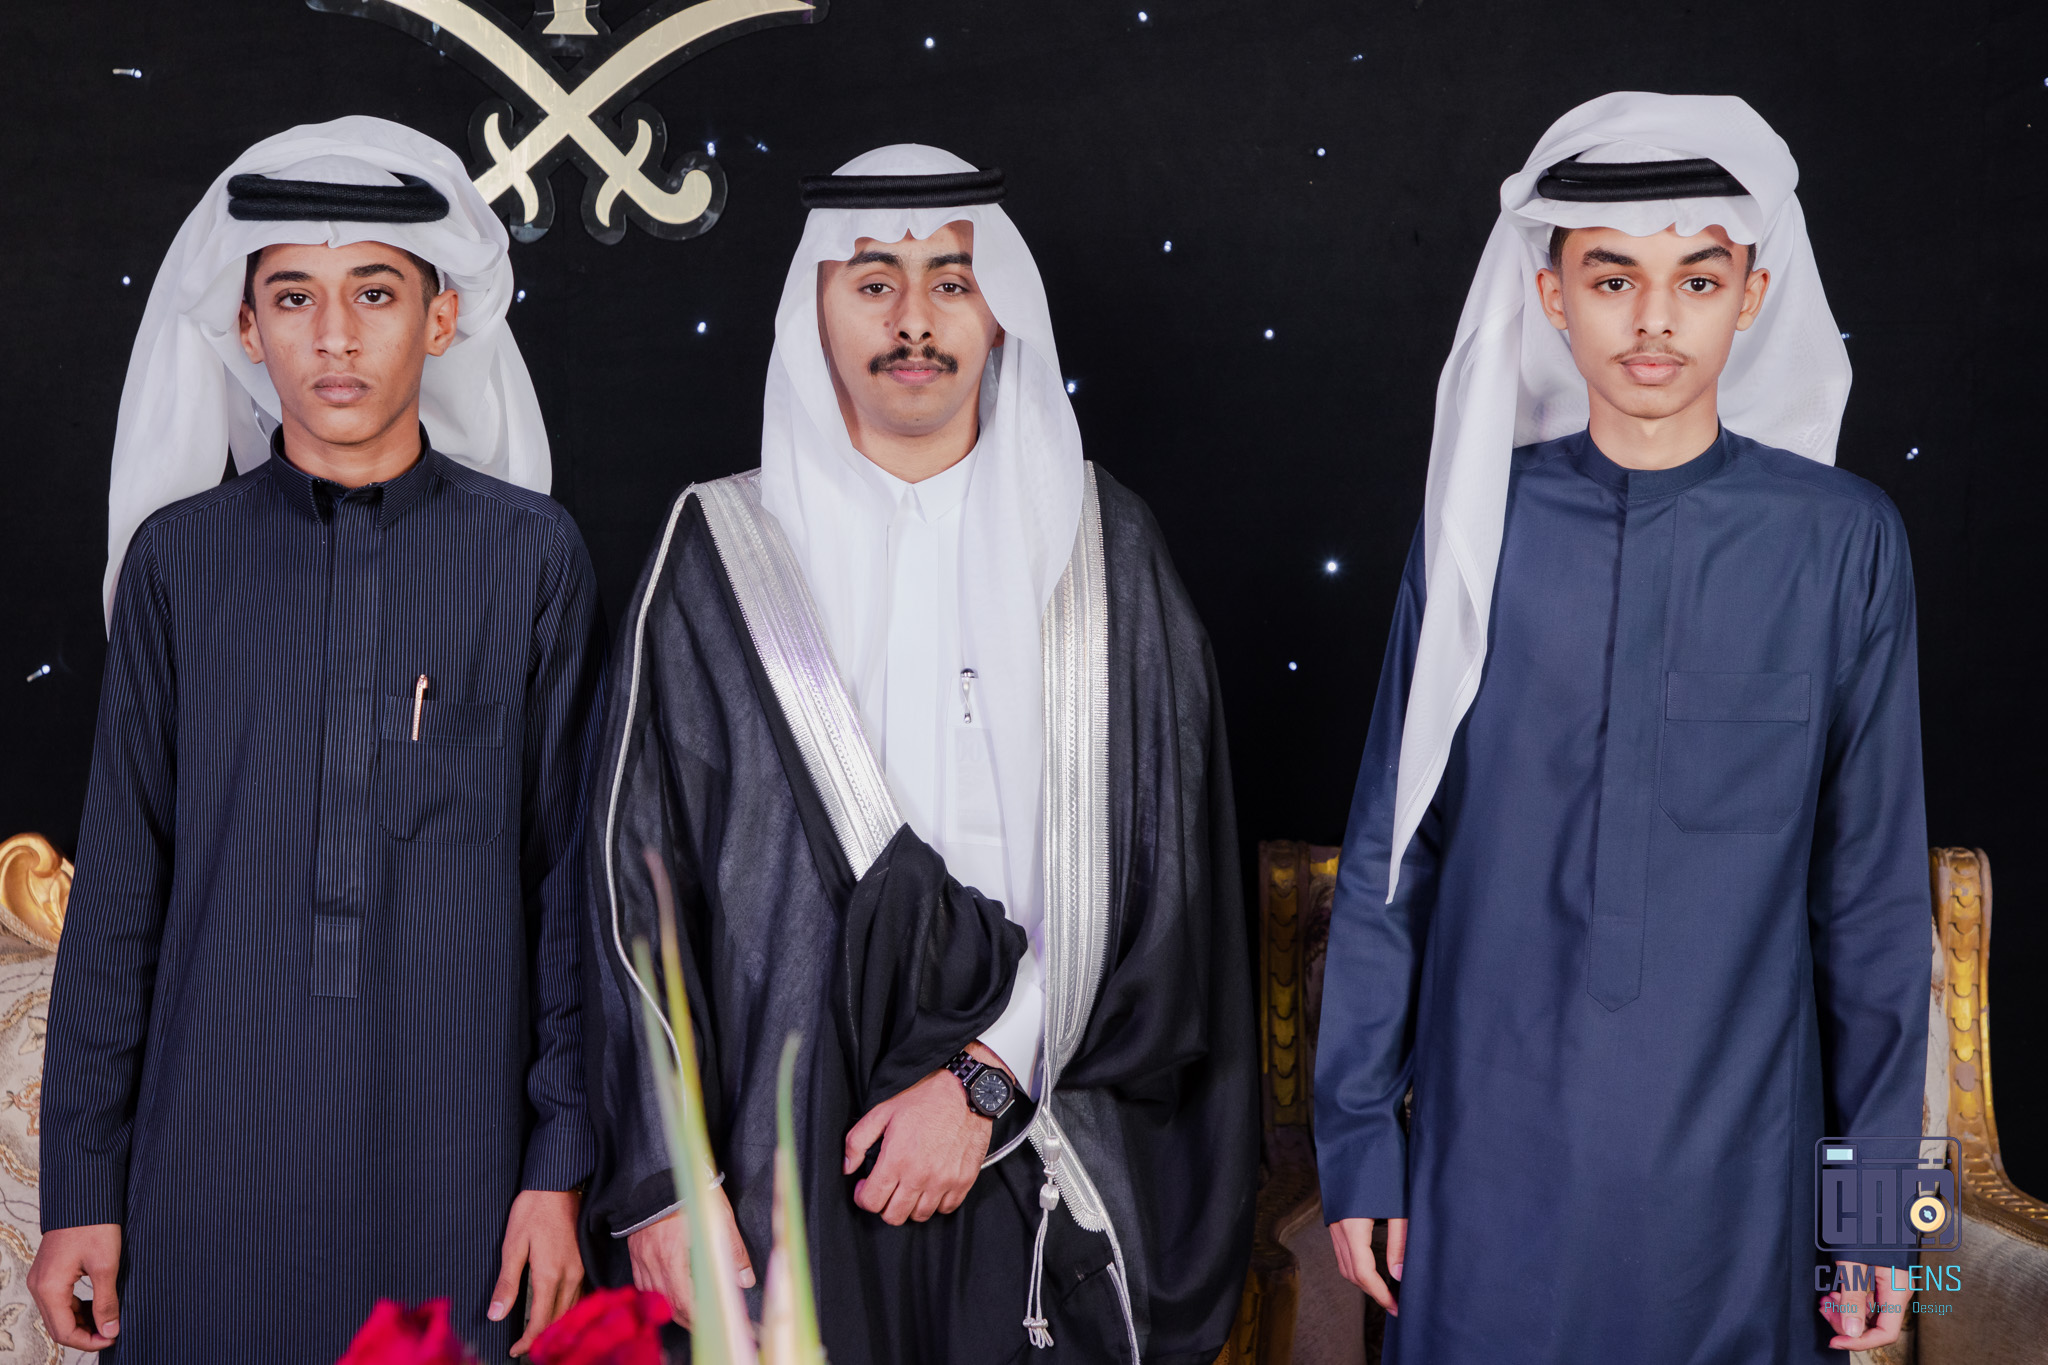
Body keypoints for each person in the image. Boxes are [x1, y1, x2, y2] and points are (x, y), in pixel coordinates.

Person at [581, 145, 1255, 1363]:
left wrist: (986, 1078)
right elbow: (635, 891)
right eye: (872, 282)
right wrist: (663, 1185)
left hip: (1037, 1145)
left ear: (999, 313)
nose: (912, 321)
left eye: (951, 280)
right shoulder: (718, 550)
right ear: (816, 311)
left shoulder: (1103, 551)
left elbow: (1170, 888)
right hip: (780, 1165)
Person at [1314, 92, 1930, 1363]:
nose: (1654, 319)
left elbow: (1873, 900)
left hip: (1741, 1185)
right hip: (1484, 1164)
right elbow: (1392, 851)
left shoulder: (1844, 539)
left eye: (1695, 279)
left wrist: (1877, 1217)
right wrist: (1360, 1149)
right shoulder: (1473, 525)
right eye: (1611, 279)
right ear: (1551, 296)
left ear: (1750, 297)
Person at [34, 118, 604, 1363]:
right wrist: (80, 1183)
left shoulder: (530, 560)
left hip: (460, 1164)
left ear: (441, 321)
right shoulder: (179, 565)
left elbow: (570, 891)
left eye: (375, 294)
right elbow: (120, 890)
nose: (334, 336)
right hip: (208, 1157)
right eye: (294, 297)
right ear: (248, 330)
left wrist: (558, 1164)